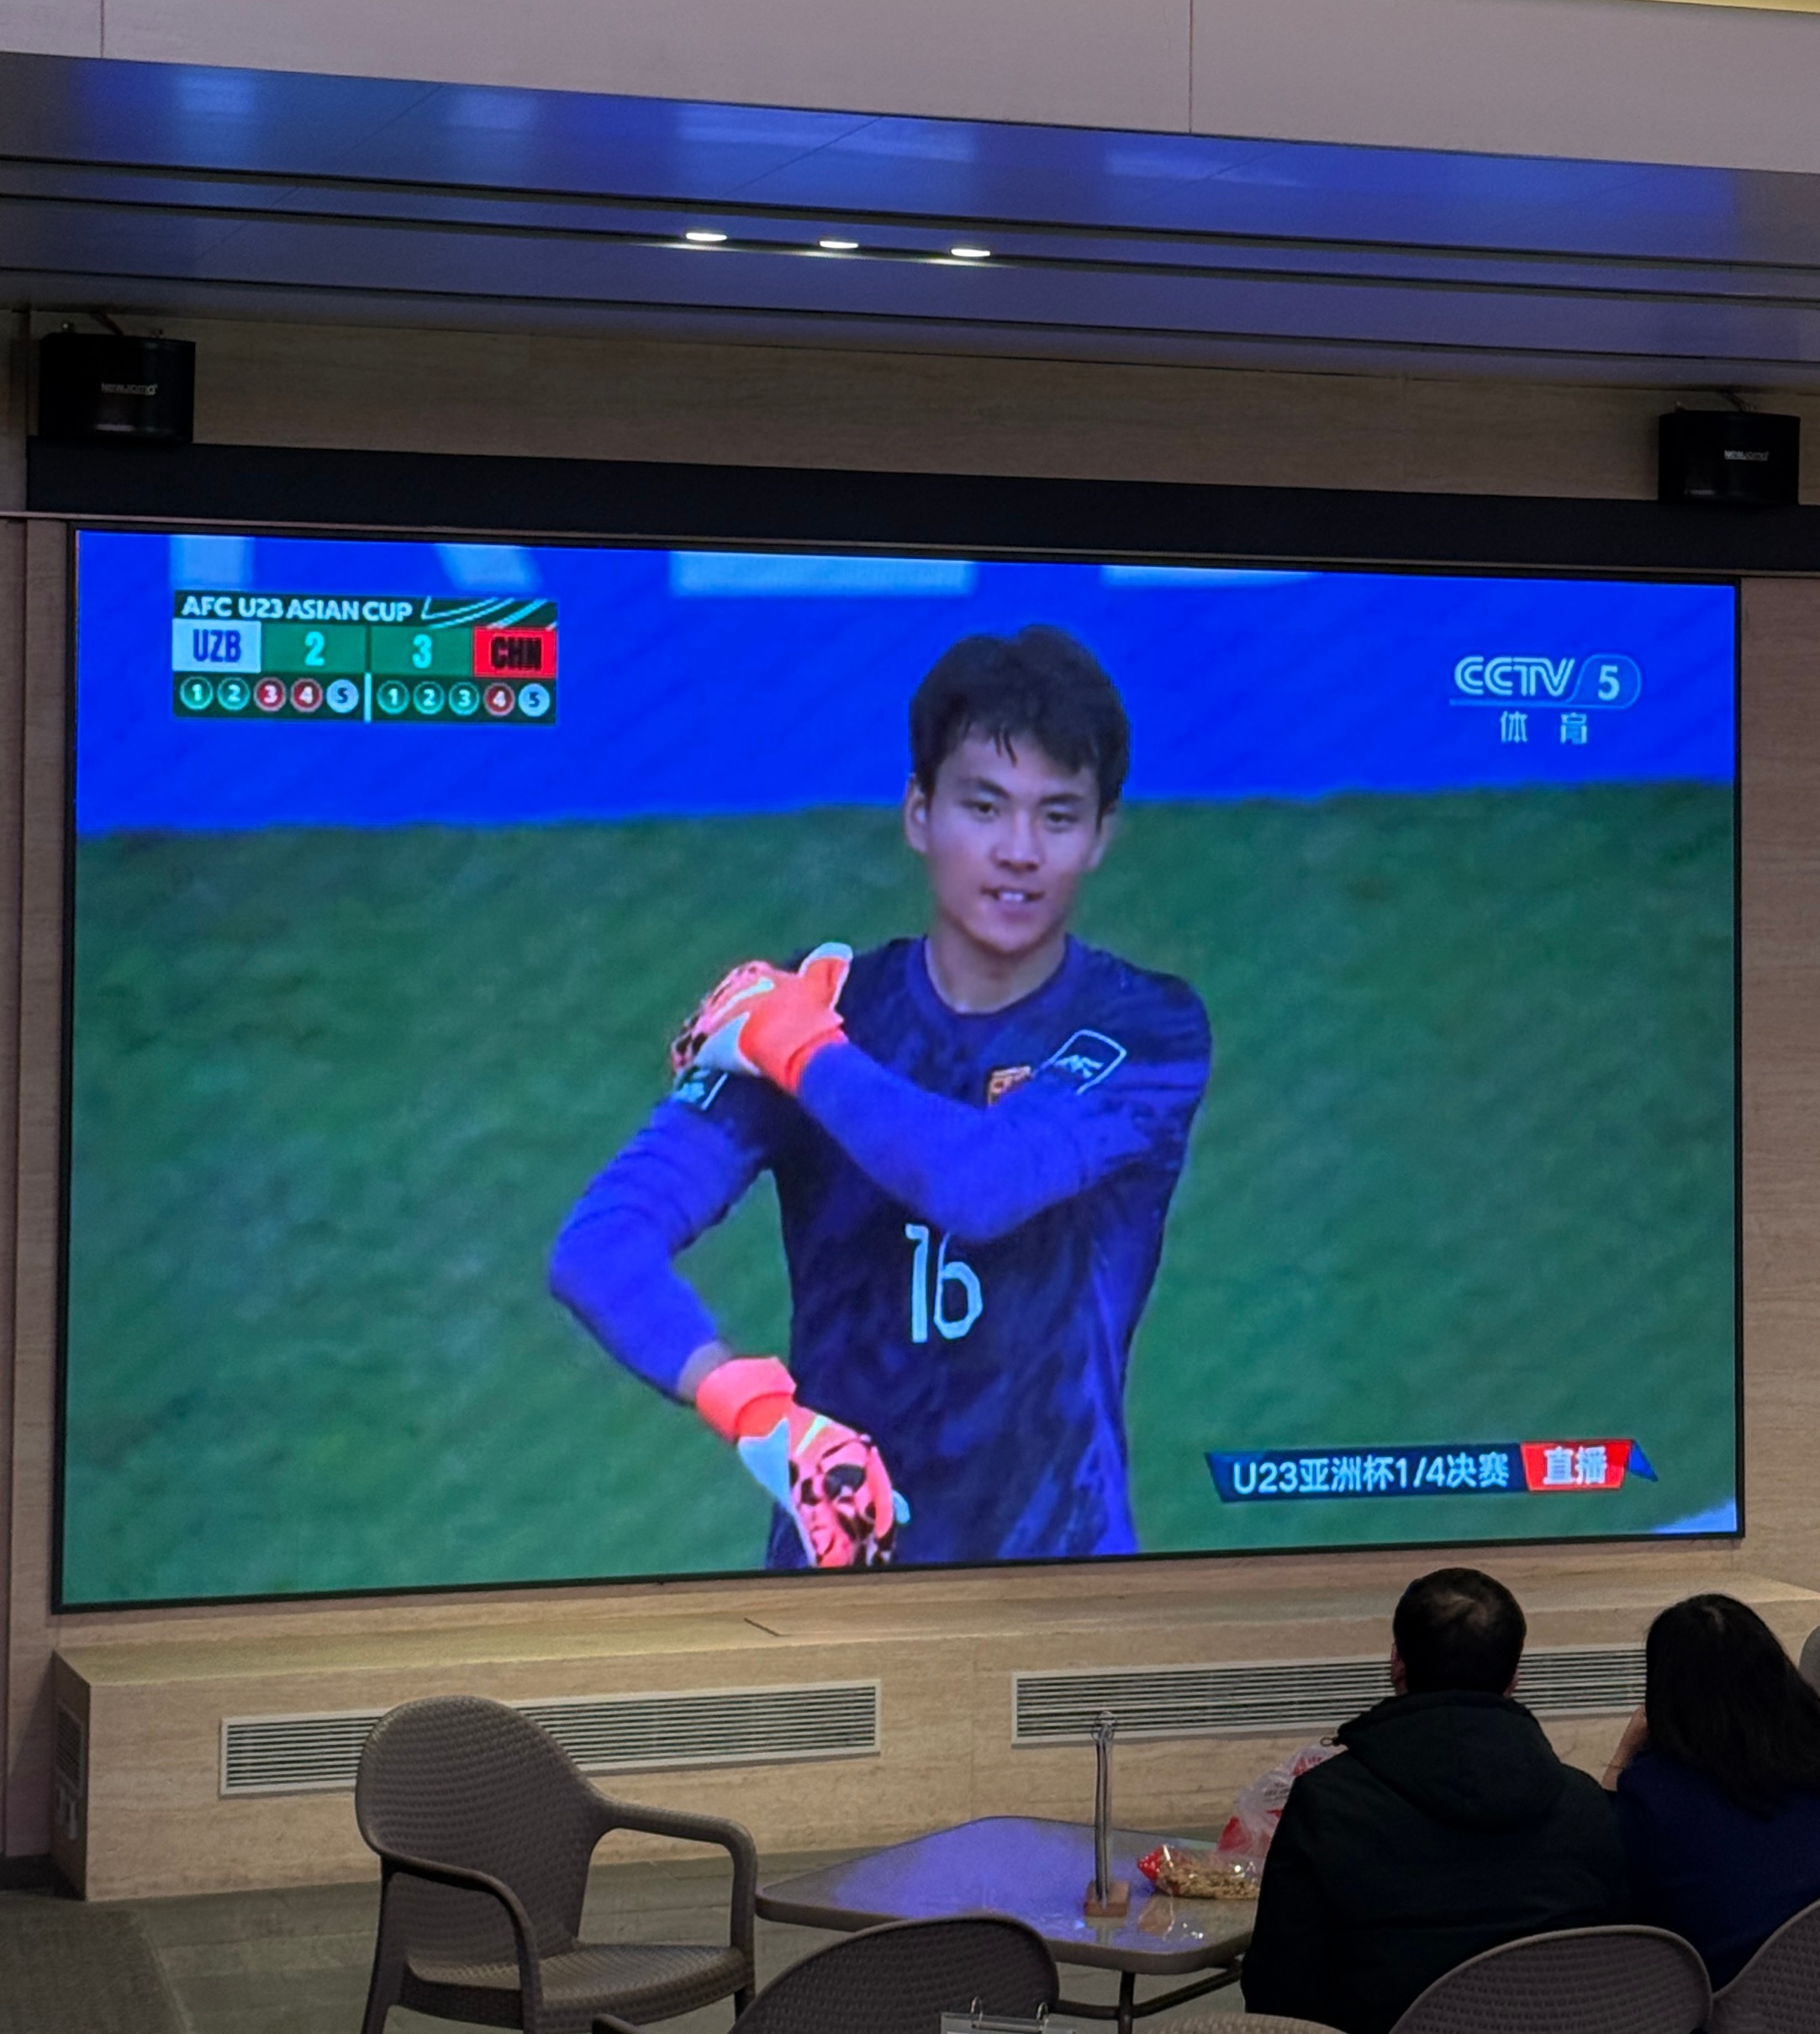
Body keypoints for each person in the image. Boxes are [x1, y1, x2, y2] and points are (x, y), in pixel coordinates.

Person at [550, 625, 1212, 1571]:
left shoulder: (1145, 1028)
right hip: (841, 1580)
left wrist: (794, 1048)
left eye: (1057, 816)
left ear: (1100, 836)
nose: (1018, 851)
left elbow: (980, 1186)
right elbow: (601, 1242)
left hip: (1062, 1588)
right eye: (983, 806)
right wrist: (757, 1412)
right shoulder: (821, 1013)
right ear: (919, 814)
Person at [1242, 1567, 1628, 2034]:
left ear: (1396, 1663)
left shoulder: (1328, 1805)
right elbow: (1619, 1975)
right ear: (1514, 1678)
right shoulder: (1586, 1807)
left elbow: (1277, 2001)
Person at [1603, 1592, 1820, 1987]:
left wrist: (1622, 1757)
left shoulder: (1652, 1795)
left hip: (1729, 2004)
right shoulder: (1808, 1753)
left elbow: (1611, 1896)